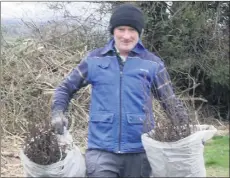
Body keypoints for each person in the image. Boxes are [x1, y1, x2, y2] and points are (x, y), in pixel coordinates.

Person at [51, 3, 189, 177]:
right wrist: (58, 112)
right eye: (121, 29)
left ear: (140, 33)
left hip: (140, 152)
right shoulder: (94, 60)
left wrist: (186, 129)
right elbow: (65, 88)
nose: (126, 36)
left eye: (132, 30)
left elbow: (170, 101)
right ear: (112, 31)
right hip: (101, 152)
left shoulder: (153, 64)